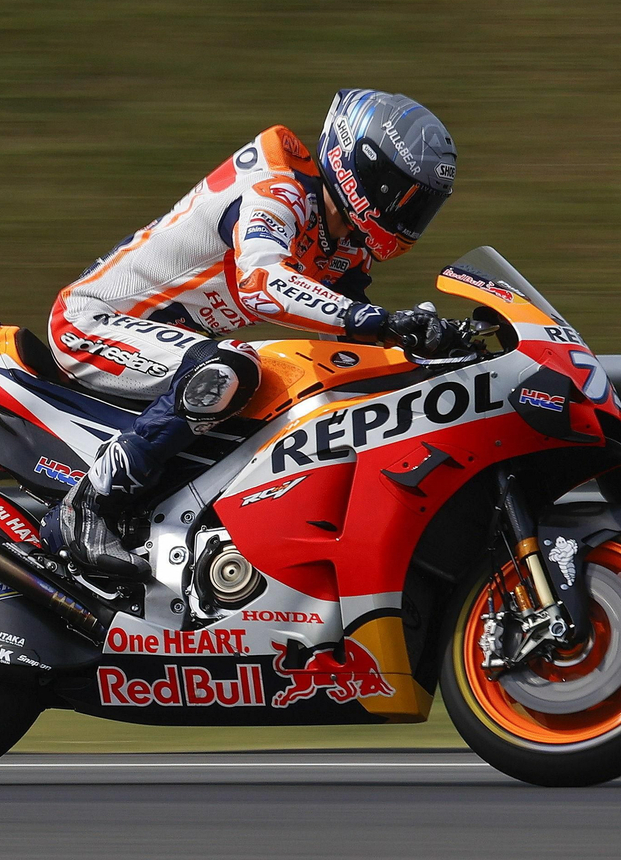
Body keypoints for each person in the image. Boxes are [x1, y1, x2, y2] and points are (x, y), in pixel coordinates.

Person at [49, 88, 458, 577]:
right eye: (406, 199)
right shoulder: (277, 187)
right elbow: (263, 282)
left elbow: (355, 334)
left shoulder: (343, 241)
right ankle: (86, 508)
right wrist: (375, 320)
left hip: (168, 351)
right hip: (92, 322)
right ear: (364, 172)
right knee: (231, 369)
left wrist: (431, 342)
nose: (411, 219)